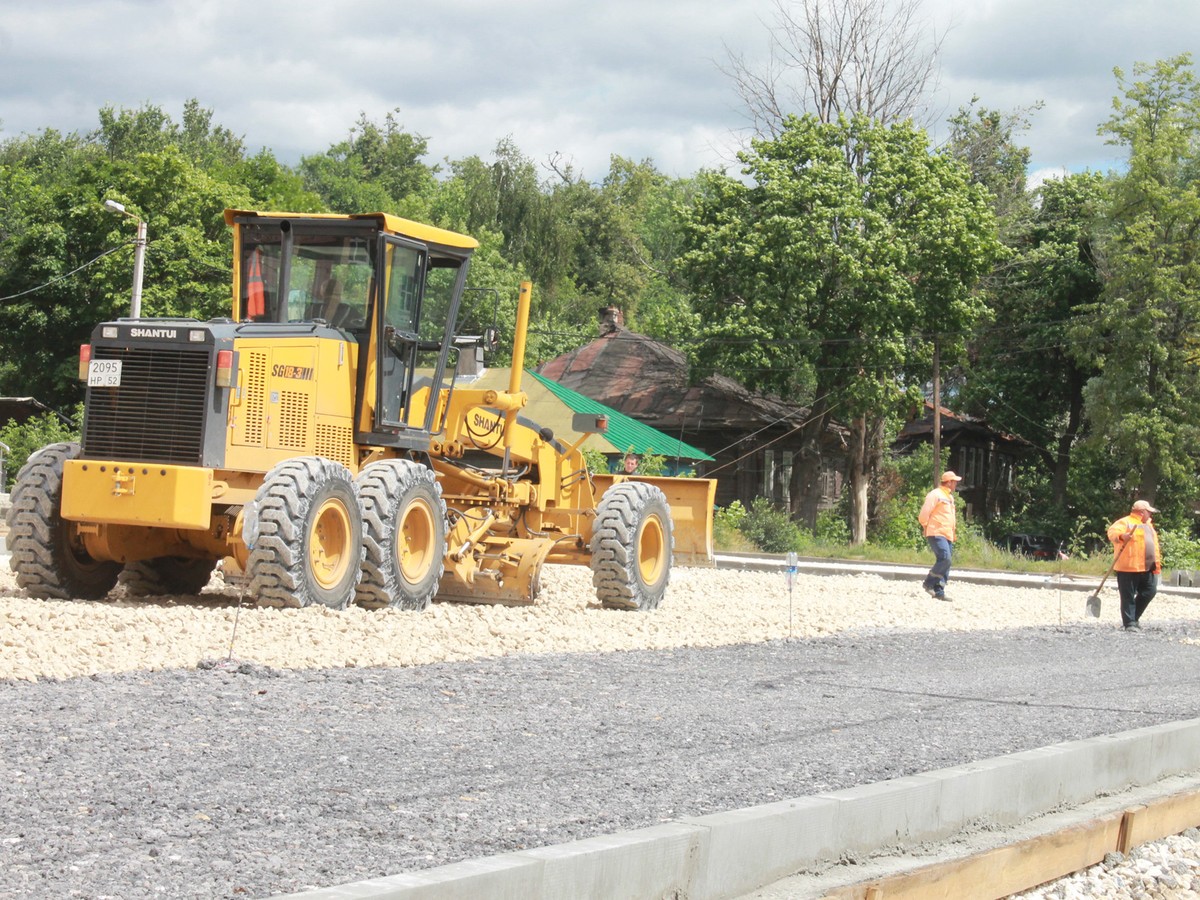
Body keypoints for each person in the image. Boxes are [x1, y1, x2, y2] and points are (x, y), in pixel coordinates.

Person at [1106, 499, 1161, 632]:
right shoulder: (1125, 522)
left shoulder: (1149, 525)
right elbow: (1112, 533)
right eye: (1149, 512)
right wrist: (1121, 536)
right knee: (1128, 596)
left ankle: (1133, 617)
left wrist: (1156, 566)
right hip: (1128, 567)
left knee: (1150, 591)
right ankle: (1129, 623)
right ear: (1142, 512)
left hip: (1147, 567)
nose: (1150, 514)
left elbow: (1154, 547)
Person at [918, 470, 963, 601]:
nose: (956, 484)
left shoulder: (950, 497)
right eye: (954, 482)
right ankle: (929, 583)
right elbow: (924, 514)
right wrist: (926, 526)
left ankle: (939, 591)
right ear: (948, 482)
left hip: (947, 534)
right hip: (936, 532)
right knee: (945, 558)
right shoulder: (935, 494)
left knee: (946, 563)